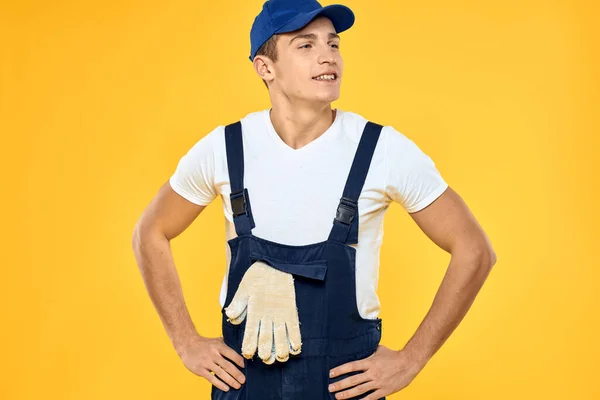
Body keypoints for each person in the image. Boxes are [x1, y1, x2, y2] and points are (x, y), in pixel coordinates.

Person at [132, 0, 497, 399]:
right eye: (306, 45)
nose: (327, 56)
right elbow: (149, 233)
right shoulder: (224, 148)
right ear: (265, 68)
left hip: (343, 386)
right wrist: (185, 342)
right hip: (244, 384)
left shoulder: (380, 149)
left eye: (333, 44)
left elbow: (474, 250)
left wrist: (412, 360)